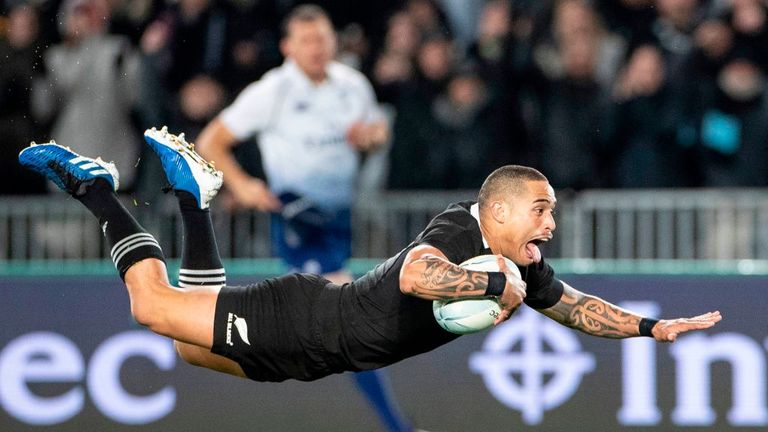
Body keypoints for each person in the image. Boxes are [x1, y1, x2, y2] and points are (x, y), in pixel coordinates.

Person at [19, 128, 721, 419]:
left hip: (316, 355)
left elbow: (571, 305)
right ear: (498, 209)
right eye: (540, 210)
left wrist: (652, 327)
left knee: (185, 348)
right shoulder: (461, 229)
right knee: (151, 307)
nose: (550, 224)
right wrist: (485, 283)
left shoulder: (522, 263)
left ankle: (194, 201)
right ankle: (96, 190)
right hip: (305, 319)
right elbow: (419, 275)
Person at [194, 6, 407, 430]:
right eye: (306, 40)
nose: (316, 48)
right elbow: (210, 140)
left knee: (310, 329)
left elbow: (378, 131)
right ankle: (396, 426)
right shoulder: (273, 91)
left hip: (339, 221)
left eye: (322, 38)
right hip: (296, 218)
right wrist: (243, 186)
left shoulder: (352, 85)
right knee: (348, 324)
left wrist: (371, 137)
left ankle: (192, 325)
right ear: (288, 47)